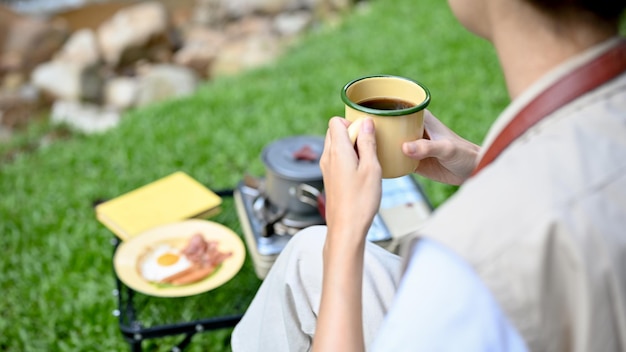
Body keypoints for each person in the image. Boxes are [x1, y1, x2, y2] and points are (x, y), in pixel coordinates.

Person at [231, 0, 626, 349]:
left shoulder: (466, 257)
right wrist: (481, 163)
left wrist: (346, 232)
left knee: (324, 256)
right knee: (305, 255)